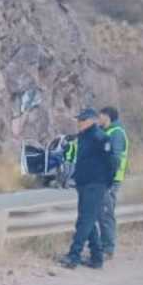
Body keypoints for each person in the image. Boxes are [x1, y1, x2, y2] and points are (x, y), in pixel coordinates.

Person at [59, 108, 117, 269]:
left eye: (82, 120)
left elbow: (112, 162)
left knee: (84, 221)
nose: (79, 123)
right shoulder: (84, 137)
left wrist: (108, 182)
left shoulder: (100, 137)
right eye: (79, 120)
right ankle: (97, 258)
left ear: (92, 120)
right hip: (84, 184)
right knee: (88, 221)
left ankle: (74, 256)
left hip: (96, 184)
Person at [98, 106, 128, 260]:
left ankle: (107, 249)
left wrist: (107, 179)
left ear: (107, 116)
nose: (99, 118)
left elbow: (115, 158)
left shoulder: (116, 133)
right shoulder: (107, 131)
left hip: (110, 180)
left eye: (100, 116)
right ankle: (102, 247)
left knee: (105, 214)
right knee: (100, 214)